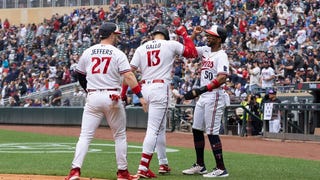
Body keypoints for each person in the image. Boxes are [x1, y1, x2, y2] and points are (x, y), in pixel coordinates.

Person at [65, 22, 147, 180]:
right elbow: (129, 76)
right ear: (110, 35)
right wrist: (140, 96)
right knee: (120, 136)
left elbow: (79, 74)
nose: (117, 37)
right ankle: (122, 172)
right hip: (112, 97)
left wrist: (88, 89)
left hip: (93, 96)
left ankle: (75, 170)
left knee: (85, 136)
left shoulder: (88, 52)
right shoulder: (117, 53)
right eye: (116, 35)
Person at [125, 24, 197, 178]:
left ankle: (163, 163)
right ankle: (143, 167)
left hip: (145, 88)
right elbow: (192, 53)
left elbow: (128, 72)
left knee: (160, 127)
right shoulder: (170, 44)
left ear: (154, 34)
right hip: (160, 87)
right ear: (166, 34)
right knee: (153, 129)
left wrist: (124, 92)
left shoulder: (141, 47)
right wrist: (185, 34)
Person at [182, 25, 229, 177]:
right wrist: (193, 35)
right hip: (204, 96)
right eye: (207, 35)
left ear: (219, 39)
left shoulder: (222, 55)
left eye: (211, 35)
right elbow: (188, 51)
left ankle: (221, 168)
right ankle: (200, 165)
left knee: (212, 132)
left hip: (214, 95)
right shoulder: (206, 50)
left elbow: (222, 78)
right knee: (196, 129)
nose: (207, 37)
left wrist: (200, 90)